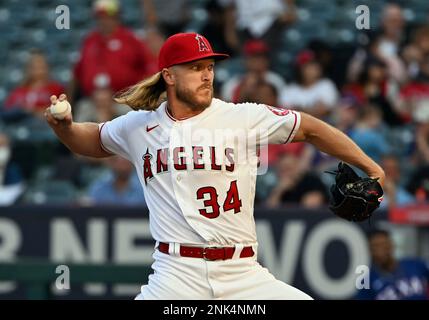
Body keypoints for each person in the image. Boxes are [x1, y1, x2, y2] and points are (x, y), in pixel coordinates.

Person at [45, 32, 385, 300]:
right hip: (176, 274)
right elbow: (90, 139)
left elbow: (310, 128)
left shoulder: (241, 117)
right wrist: (65, 128)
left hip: (243, 274)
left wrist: (373, 169)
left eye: (209, 66)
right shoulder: (138, 127)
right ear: (169, 76)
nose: (207, 75)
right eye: (195, 68)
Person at [356, 229, 429, 300]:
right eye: (376, 246)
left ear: (392, 245)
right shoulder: (367, 281)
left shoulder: (415, 264)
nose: (381, 249)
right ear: (369, 250)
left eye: (385, 244)